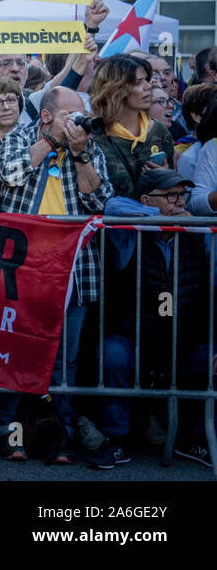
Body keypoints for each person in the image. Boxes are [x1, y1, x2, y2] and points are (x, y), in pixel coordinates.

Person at [0, 85, 114, 465]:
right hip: (23, 269)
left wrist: (80, 156)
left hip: (74, 270)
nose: (79, 121)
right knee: (15, 351)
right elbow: (10, 174)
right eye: (70, 114)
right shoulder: (20, 136)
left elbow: (100, 200)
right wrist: (49, 141)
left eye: (81, 113)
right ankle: (8, 429)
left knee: (66, 359)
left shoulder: (87, 146)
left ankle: (60, 432)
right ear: (47, 115)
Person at [100, 168, 215, 467]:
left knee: (208, 357)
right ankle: (117, 440)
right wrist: (159, 219)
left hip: (185, 340)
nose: (180, 203)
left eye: (182, 195)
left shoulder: (199, 231)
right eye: (172, 196)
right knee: (112, 353)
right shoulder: (132, 235)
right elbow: (113, 206)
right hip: (138, 338)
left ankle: (192, 439)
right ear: (146, 200)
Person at [90, 54, 176, 197]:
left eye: (146, 80)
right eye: (138, 82)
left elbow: (173, 191)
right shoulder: (94, 136)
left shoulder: (159, 131)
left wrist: (165, 176)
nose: (149, 86)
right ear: (116, 89)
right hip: (112, 218)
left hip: (153, 217)